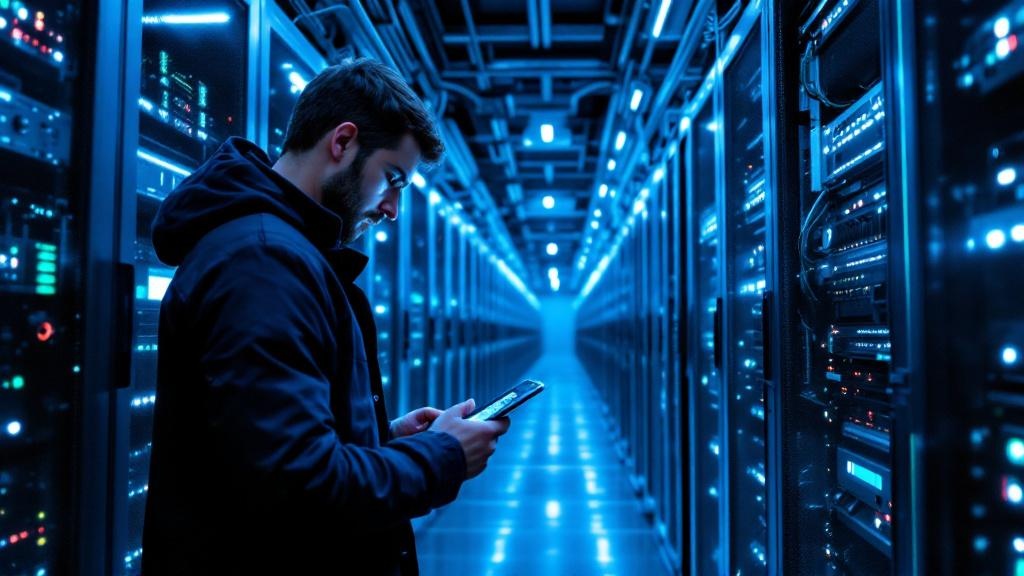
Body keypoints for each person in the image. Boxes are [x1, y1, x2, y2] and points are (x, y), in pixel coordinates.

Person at [142, 57, 510, 575]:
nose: (391, 210)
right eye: (393, 178)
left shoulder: (284, 253)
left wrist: (385, 440)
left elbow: (275, 449)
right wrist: (443, 456)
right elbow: (298, 485)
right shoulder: (264, 261)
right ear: (342, 142)